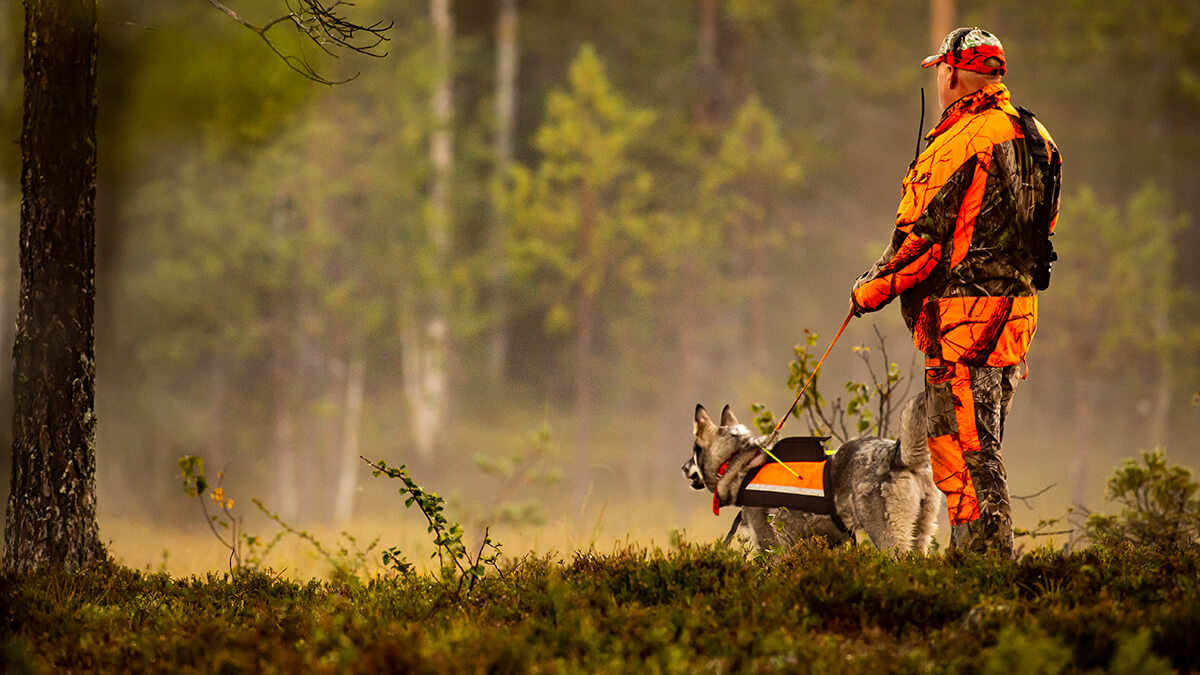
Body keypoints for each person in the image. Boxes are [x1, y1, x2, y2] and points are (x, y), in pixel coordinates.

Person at [849, 27, 1061, 555]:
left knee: (964, 457)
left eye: (941, 69)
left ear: (952, 73)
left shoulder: (959, 143)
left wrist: (866, 293)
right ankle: (979, 568)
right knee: (983, 447)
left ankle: (983, 577)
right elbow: (1046, 229)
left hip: (965, 326)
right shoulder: (1039, 137)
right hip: (1016, 319)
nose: (939, 79)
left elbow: (918, 245)